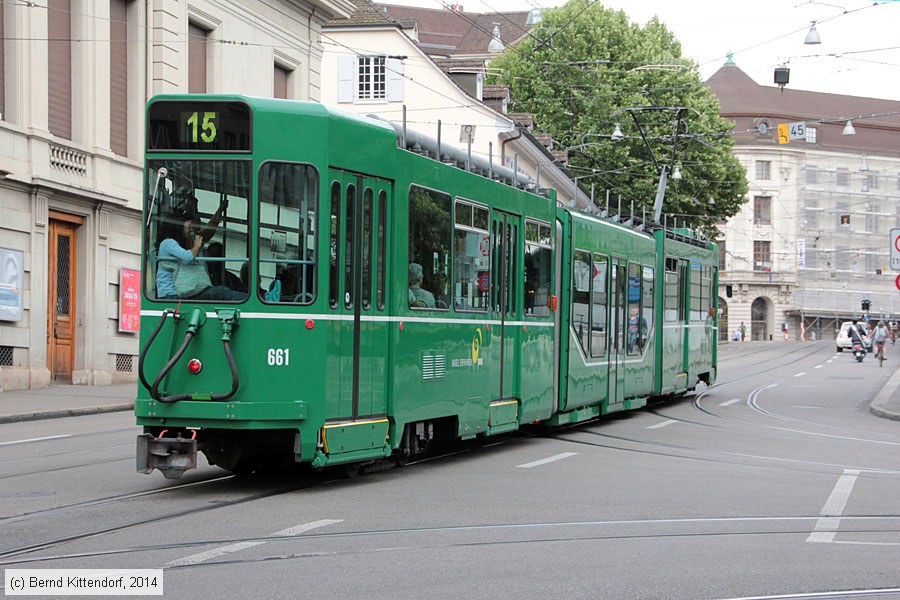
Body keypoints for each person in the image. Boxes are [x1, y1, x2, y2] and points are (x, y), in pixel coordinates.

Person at [155, 204, 244, 301]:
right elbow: (188, 257)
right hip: (171, 293)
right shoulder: (168, 243)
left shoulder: (176, 243)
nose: (191, 230)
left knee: (220, 292)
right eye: (189, 226)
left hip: (181, 291)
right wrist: (196, 246)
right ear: (179, 226)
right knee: (221, 292)